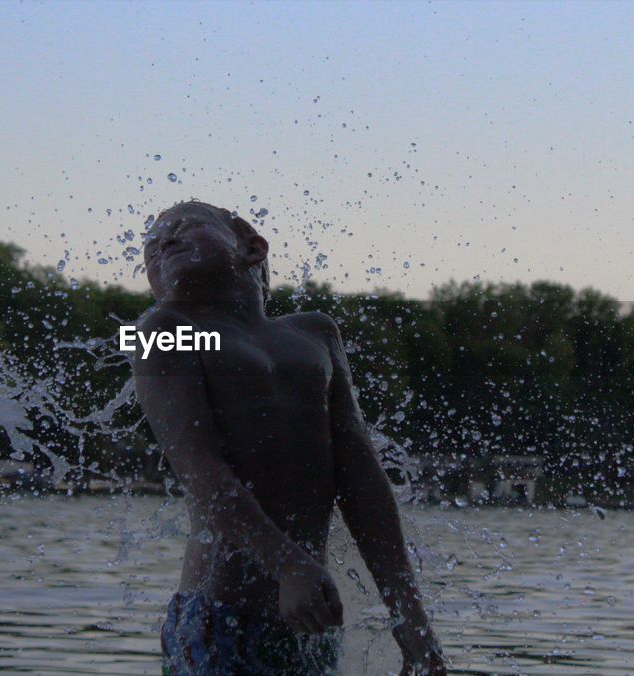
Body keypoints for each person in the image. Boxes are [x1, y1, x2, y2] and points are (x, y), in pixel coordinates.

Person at [130, 200, 447, 675]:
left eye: (185, 228)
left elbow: (362, 479)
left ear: (252, 247)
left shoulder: (315, 335)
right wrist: (287, 567)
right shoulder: (164, 331)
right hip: (223, 616)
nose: (163, 243)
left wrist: (410, 618)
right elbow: (201, 473)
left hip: (309, 621)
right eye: (150, 246)